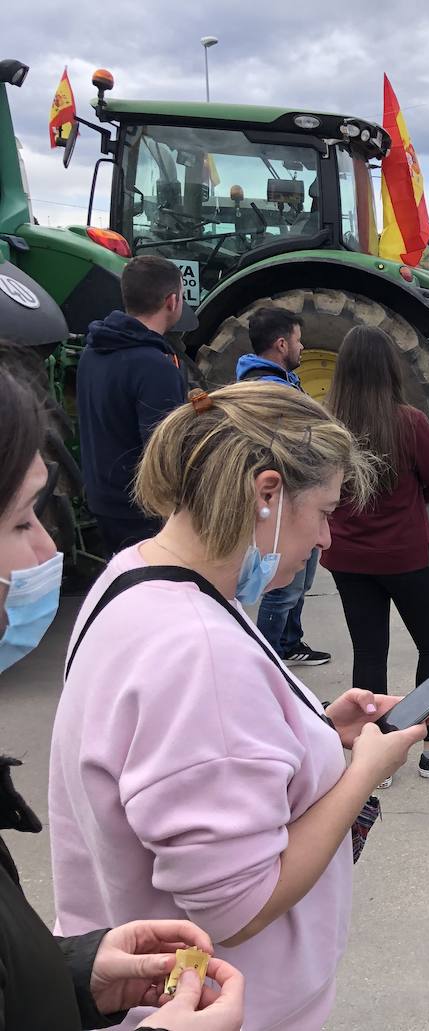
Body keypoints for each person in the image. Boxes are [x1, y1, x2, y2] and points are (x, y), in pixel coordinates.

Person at [49, 382, 429, 1030]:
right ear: (267, 493)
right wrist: (365, 767)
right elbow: (237, 904)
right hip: (226, 1007)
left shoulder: (135, 575)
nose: (328, 539)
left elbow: (196, 753)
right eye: (324, 510)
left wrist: (315, 725)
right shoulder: (200, 653)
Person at [1, 366, 247, 1031]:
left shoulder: (137, 581)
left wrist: (75, 972)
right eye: (23, 518)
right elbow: (232, 895)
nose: (50, 546)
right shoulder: (192, 640)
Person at [324, 326, 429, 782]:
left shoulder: (325, 423)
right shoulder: (408, 422)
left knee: (369, 648)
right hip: (403, 554)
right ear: (389, 370)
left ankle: (373, 758)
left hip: (346, 556)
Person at [236, 307, 330, 668]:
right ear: (280, 344)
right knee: (282, 587)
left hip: (295, 495)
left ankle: (290, 642)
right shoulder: (271, 391)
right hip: (285, 500)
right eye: (297, 339)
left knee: (299, 581)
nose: (302, 347)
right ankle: (270, 661)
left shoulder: (280, 381)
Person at [76, 255, 188, 553]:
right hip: (143, 513)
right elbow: (165, 455)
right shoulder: (155, 367)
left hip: (104, 501)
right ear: (172, 301)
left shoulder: (93, 352)